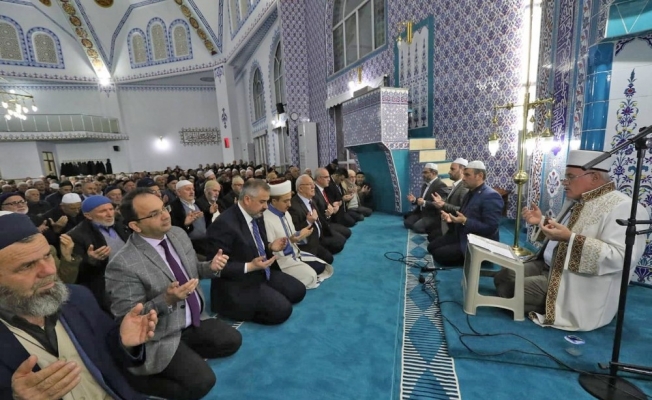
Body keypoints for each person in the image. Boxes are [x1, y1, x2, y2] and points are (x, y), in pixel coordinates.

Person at [0, 212, 157, 400]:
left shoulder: (78, 298)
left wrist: (123, 342)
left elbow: (108, 355)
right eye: (27, 266)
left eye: (48, 255)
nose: (49, 270)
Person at [106, 188, 242, 400]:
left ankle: (183, 353)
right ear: (135, 226)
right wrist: (166, 300)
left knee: (232, 341)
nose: (165, 215)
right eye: (154, 214)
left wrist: (211, 267)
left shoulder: (177, 234)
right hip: (160, 334)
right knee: (202, 383)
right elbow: (129, 319)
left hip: (192, 320)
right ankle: (135, 379)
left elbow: (193, 270)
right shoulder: (123, 264)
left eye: (164, 208)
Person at [494, 150, 648, 331]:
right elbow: (562, 232)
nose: (564, 183)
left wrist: (570, 239)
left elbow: (621, 257)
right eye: (565, 177)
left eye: (570, 177)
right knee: (502, 277)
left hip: (574, 282)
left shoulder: (624, 207)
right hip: (548, 265)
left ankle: (556, 307)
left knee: (512, 290)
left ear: (594, 177)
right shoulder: (576, 200)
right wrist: (541, 221)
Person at [206, 179, 306, 324]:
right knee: (282, 310)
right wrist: (250, 266)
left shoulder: (256, 214)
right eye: (262, 202)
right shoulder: (223, 225)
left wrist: (270, 247)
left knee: (298, 291)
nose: (266, 206)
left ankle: (266, 293)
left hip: (261, 273)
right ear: (247, 199)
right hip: (238, 283)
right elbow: (215, 268)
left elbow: (253, 244)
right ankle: (234, 308)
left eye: (267, 201)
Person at [427, 160, 503, 266]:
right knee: (431, 247)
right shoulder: (470, 193)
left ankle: (479, 260)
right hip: (462, 235)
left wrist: (465, 221)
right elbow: (462, 215)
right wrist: (451, 219)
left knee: (438, 254)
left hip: (477, 243)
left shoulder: (491, 196)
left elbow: (491, 228)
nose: (463, 178)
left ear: (480, 176)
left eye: (467, 175)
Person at [263, 180, 333, 289]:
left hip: (296, 253)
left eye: (290, 200)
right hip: (282, 261)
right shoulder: (266, 219)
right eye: (285, 201)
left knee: (323, 266)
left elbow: (292, 235)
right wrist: (292, 240)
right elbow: (271, 250)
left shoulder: (286, 213)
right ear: (274, 201)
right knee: (311, 276)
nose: (289, 204)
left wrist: (300, 235)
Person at [67, 196, 130, 311]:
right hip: (106, 286)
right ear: (88, 215)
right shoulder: (76, 235)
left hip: (131, 277)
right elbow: (77, 271)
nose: (109, 214)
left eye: (111, 209)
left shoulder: (121, 224)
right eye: (103, 211)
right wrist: (91, 260)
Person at [289, 174, 341, 263]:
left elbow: (321, 219)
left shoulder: (310, 200)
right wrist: (308, 222)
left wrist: (328, 215)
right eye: (310, 184)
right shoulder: (293, 206)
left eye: (313, 184)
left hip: (320, 236)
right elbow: (294, 231)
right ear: (300, 188)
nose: (313, 186)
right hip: (309, 243)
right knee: (329, 259)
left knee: (340, 242)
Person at [404, 163, 450, 235]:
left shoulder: (441, 185)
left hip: (432, 215)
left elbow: (439, 205)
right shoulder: (425, 185)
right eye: (423, 172)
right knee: (407, 223)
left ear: (433, 173)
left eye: (425, 172)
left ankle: (434, 228)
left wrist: (424, 203)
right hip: (422, 212)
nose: (423, 174)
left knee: (417, 228)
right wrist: (414, 200)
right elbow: (423, 200)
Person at [429, 158, 469, 239]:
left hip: (454, 225)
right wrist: (441, 201)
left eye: (452, 169)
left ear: (462, 170)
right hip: (446, 221)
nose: (449, 172)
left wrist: (443, 204)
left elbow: (462, 209)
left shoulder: (464, 187)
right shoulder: (456, 185)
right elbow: (451, 202)